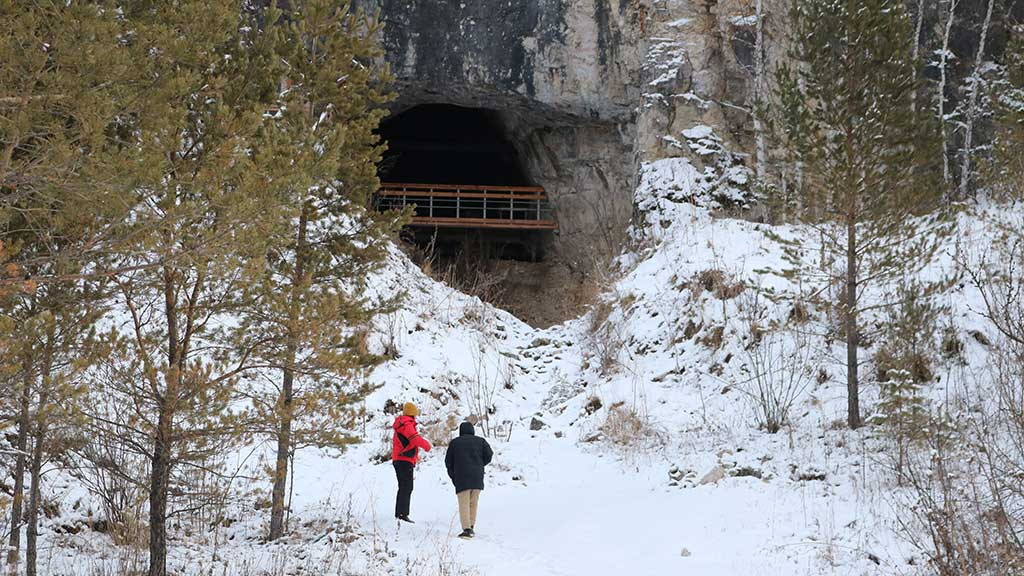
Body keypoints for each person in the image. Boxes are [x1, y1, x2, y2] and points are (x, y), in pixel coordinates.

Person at [444, 421, 493, 539]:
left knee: (464, 503)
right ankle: (471, 525)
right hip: (477, 476)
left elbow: (448, 462)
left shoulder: (455, 443)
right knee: (473, 503)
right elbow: (489, 455)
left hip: (462, 477)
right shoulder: (481, 441)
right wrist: (480, 465)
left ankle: (467, 530)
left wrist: (454, 476)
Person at [392, 402, 431, 523]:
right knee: (406, 487)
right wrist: (427, 446)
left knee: (404, 486)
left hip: (401, 459)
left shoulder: (402, 423)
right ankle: (402, 514)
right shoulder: (406, 424)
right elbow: (414, 439)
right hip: (404, 460)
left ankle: (400, 513)